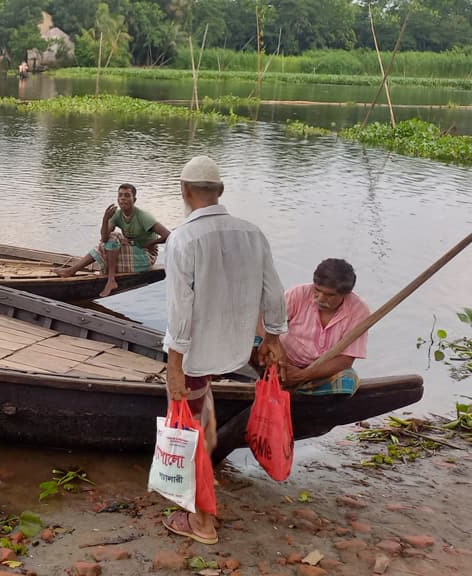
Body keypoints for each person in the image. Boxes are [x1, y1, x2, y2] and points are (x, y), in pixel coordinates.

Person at [162, 155, 288, 546]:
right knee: (202, 419)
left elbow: (180, 313)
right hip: (236, 348)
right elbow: (275, 293)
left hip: (197, 354)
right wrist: (272, 339)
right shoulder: (252, 232)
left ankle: (201, 521)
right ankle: (208, 477)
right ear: (220, 191)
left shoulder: (182, 238)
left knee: (189, 431)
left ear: (184, 191)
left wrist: (175, 367)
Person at [254, 258, 370, 394]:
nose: (320, 298)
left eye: (329, 295)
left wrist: (304, 375)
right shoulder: (298, 294)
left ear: (345, 294)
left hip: (318, 370)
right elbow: (263, 321)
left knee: (347, 381)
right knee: (256, 342)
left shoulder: (358, 311)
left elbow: (345, 360)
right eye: (317, 290)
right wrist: (278, 354)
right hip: (282, 359)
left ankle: (301, 391)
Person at [56, 183, 171, 297]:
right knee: (107, 242)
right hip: (133, 249)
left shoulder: (143, 216)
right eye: (120, 195)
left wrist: (149, 244)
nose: (122, 199)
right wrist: (105, 219)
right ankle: (76, 272)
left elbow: (167, 235)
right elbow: (104, 239)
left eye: (127, 195)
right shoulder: (118, 215)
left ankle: (105, 278)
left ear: (134, 199)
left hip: (146, 255)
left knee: (108, 244)